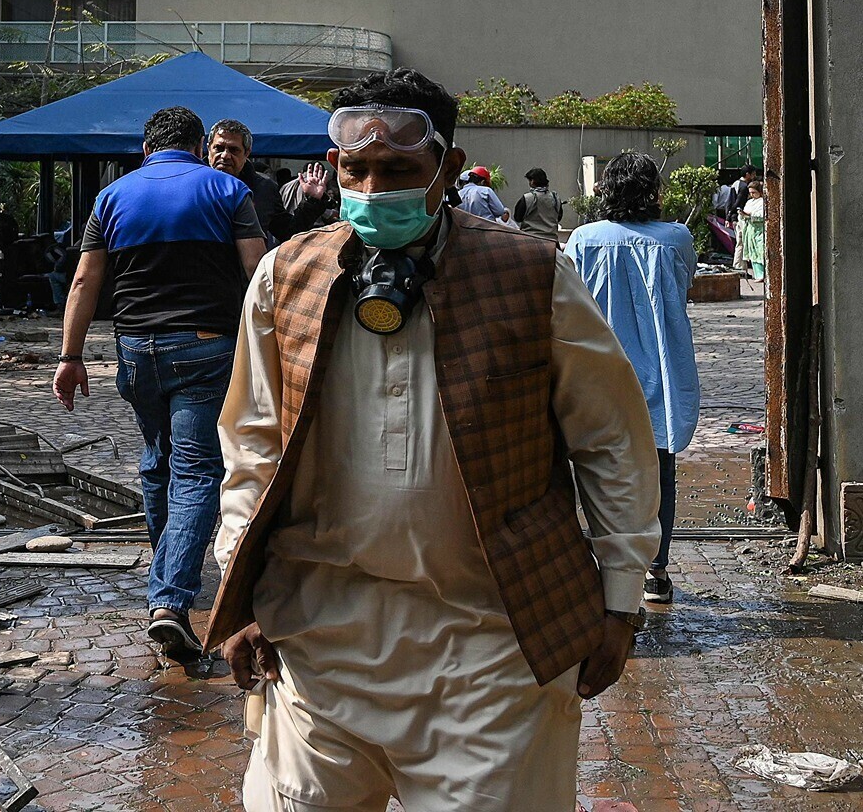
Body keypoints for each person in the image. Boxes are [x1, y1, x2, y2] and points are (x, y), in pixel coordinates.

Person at [209, 68, 659, 812]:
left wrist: (621, 598)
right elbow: (251, 443)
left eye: (398, 170)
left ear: (448, 169)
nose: (373, 188)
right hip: (317, 640)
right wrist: (237, 587)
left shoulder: (532, 276)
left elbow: (610, 441)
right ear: (332, 167)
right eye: (356, 169)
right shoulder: (285, 277)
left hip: (493, 651)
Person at [54, 106, 267, 662]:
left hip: (135, 352)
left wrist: (69, 356)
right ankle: (171, 601)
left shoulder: (112, 197)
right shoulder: (225, 190)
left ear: (145, 149)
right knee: (197, 470)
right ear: (199, 147)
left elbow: (84, 279)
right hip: (204, 348)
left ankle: (168, 563)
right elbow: (258, 271)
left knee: (157, 458)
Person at [565, 152, 701, 606]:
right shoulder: (675, 238)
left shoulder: (585, 239)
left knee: (593, 470)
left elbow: (566, 299)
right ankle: (656, 572)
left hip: (597, 372)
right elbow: (685, 288)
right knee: (659, 472)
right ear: (652, 191)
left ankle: (602, 568)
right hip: (661, 373)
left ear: (606, 190)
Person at [208, 119, 285, 247]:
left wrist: (313, 201)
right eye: (219, 148)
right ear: (208, 148)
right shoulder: (192, 185)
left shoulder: (264, 188)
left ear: (247, 153)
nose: (225, 155)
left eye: (233, 150)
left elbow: (286, 231)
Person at [277, 161, 338, 241]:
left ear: (302, 171)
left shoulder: (285, 186)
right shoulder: (314, 185)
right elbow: (327, 214)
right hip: (309, 233)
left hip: (288, 232)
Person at [512, 166, 565, 240]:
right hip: (551, 240)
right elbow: (559, 217)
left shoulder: (527, 198)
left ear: (533, 181)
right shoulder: (555, 198)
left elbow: (517, 217)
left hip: (530, 239)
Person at [738, 180, 768, 281]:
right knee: (752, 251)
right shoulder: (749, 202)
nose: (752, 194)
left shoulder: (763, 202)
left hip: (759, 229)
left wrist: (750, 215)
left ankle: (764, 274)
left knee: (760, 251)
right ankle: (758, 274)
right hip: (750, 230)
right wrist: (742, 215)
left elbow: (763, 216)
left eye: (754, 192)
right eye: (750, 193)